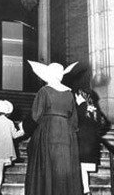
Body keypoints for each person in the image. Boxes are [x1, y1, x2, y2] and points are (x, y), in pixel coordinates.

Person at [24, 61, 83, 195]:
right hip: (67, 134)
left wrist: (24, 129)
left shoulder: (44, 91)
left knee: (47, 167)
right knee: (64, 169)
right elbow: (74, 121)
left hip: (48, 131)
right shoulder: (69, 94)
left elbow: (35, 115)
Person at [63, 61, 111, 195]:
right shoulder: (94, 108)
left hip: (81, 141)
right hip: (92, 141)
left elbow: (73, 122)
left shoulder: (79, 108)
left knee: (79, 165)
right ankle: (86, 190)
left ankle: (85, 189)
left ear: (81, 96)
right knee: (84, 166)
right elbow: (104, 123)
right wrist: (97, 132)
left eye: (77, 95)